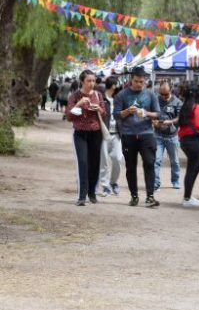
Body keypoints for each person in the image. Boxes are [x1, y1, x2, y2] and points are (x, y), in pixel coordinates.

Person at [113, 66, 161, 208]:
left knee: (149, 163)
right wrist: (128, 111)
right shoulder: (121, 95)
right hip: (128, 135)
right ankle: (134, 196)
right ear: (131, 80)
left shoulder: (150, 95)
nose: (139, 84)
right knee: (131, 167)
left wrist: (146, 113)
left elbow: (158, 114)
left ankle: (150, 196)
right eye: (136, 81)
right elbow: (116, 115)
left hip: (147, 134)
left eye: (142, 81)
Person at [67, 70, 106, 206]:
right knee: (83, 162)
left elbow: (104, 112)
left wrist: (98, 109)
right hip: (80, 133)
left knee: (94, 163)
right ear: (82, 81)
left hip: (96, 133)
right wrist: (78, 104)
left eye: (93, 81)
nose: (92, 83)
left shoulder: (98, 94)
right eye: (89, 81)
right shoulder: (75, 96)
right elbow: (69, 116)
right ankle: (82, 195)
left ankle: (92, 192)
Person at [178, 87, 199, 208]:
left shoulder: (186, 106)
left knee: (194, 168)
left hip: (185, 140)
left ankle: (188, 196)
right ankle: (187, 198)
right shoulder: (196, 106)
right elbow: (198, 125)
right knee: (193, 169)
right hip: (193, 141)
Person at [153, 80, 182, 191]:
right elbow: (151, 114)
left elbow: (179, 118)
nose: (164, 96)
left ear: (171, 90)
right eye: (162, 94)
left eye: (166, 94)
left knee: (174, 161)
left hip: (172, 136)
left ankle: (175, 180)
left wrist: (169, 122)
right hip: (158, 135)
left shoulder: (177, 102)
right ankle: (156, 183)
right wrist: (153, 122)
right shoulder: (156, 100)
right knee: (156, 160)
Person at [98, 77, 124, 197]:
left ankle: (113, 182)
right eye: (118, 83)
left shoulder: (119, 99)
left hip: (117, 134)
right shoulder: (101, 99)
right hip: (104, 133)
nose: (119, 85)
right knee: (103, 161)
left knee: (117, 158)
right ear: (113, 85)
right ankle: (105, 185)